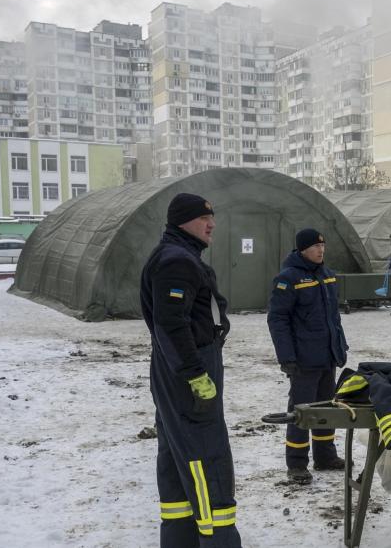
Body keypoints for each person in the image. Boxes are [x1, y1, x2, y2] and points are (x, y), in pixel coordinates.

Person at [140, 193, 241, 547]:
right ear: (183, 221)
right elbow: (170, 324)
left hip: (178, 370)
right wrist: (194, 373)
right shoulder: (176, 262)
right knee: (206, 459)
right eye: (204, 219)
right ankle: (218, 540)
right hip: (188, 373)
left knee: (175, 459)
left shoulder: (179, 256)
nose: (212, 224)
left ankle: (180, 539)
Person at [266, 228, 349, 484]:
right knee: (301, 412)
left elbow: (333, 318)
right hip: (303, 359)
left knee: (326, 408)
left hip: (327, 356)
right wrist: (286, 357)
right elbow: (277, 319)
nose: (321, 250)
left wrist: (340, 346)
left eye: (323, 246)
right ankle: (297, 464)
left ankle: (325, 456)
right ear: (302, 249)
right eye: (315, 246)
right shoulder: (288, 279)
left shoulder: (328, 276)